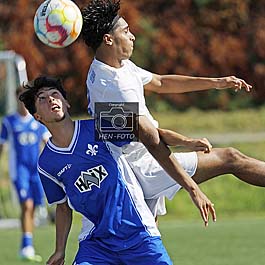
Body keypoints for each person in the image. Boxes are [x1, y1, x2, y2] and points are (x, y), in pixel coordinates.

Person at [81, 0, 265, 218]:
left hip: (139, 160)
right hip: (141, 167)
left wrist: (216, 82)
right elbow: (151, 140)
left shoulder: (111, 66)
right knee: (230, 158)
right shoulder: (112, 85)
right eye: (126, 31)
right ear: (108, 39)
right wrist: (192, 187)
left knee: (142, 244)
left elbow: (160, 83)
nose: (132, 36)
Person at [19, 76, 217, 264]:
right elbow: (62, 207)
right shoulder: (46, 163)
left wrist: (188, 142)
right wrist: (60, 249)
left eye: (55, 94)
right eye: (42, 99)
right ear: (37, 116)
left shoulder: (100, 123)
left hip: (139, 233)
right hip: (97, 244)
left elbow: (150, 132)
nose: (51, 100)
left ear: (67, 102)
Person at [0, 86, 50, 262]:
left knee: (33, 207)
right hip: (19, 170)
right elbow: (2, 145)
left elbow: (48, 143)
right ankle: (26, 245)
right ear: (16, 99)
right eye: (21, 97)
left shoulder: (38, 121)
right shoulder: (9, 122)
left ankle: (27, 244)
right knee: (26, 205)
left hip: (36, 171)